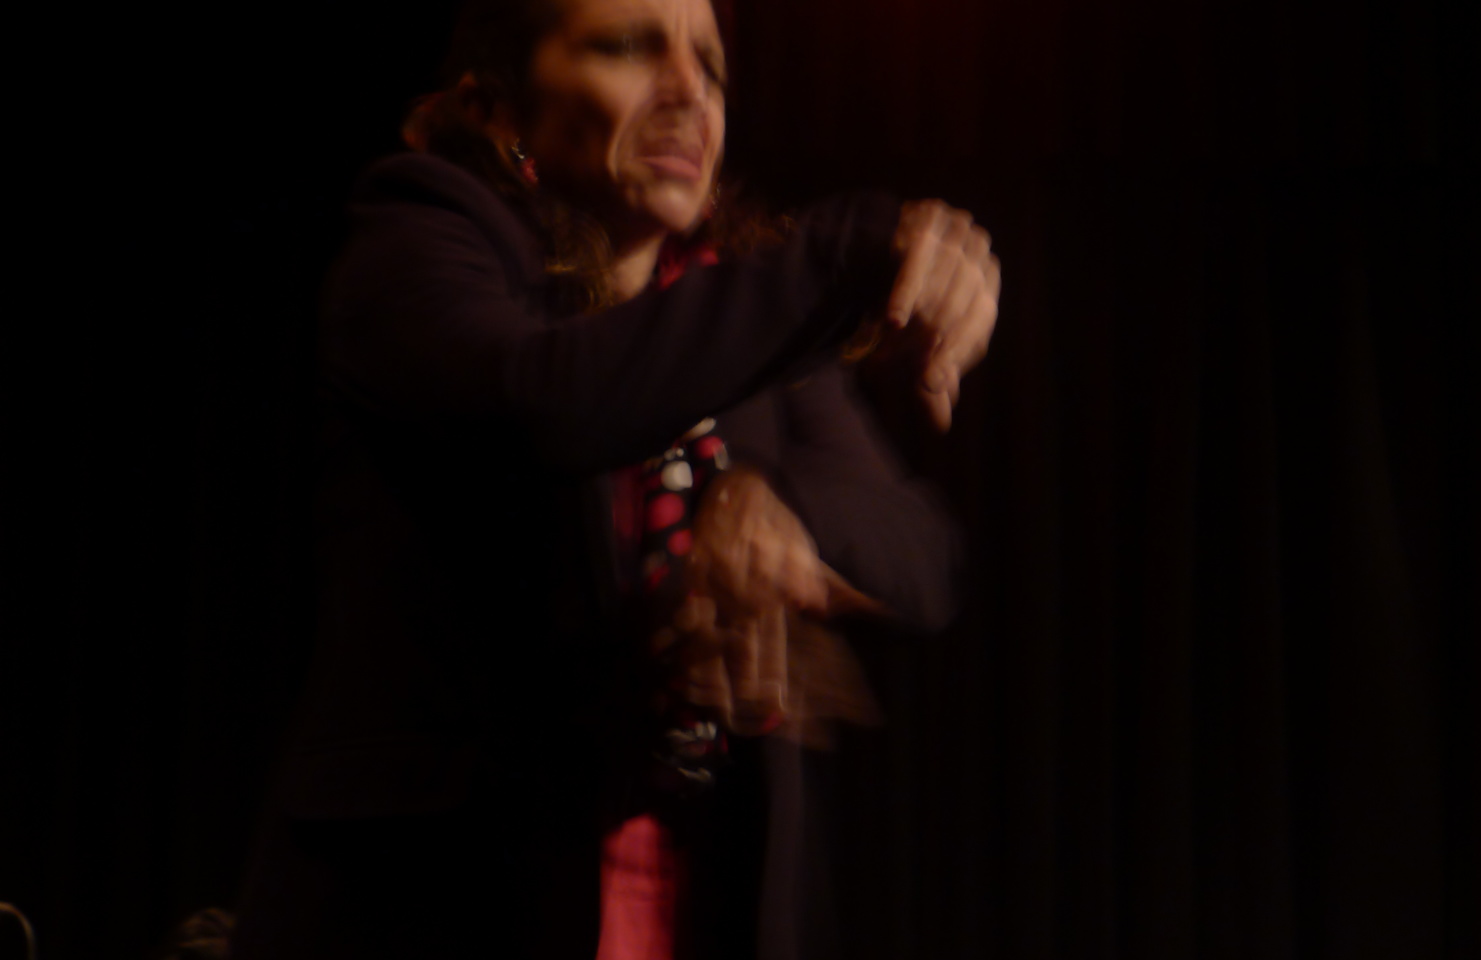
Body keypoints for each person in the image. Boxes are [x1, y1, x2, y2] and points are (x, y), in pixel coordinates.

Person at [230, 1, 999, 958]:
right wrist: (856, 245)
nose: (689, 93)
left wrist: (776, 509)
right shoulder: (417, 239)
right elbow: (545, 403)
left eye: (711, 68)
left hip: (697, 905)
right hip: (440, 905)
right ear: (496, 108)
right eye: (628, 46)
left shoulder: (750, 316)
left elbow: (923, 556)